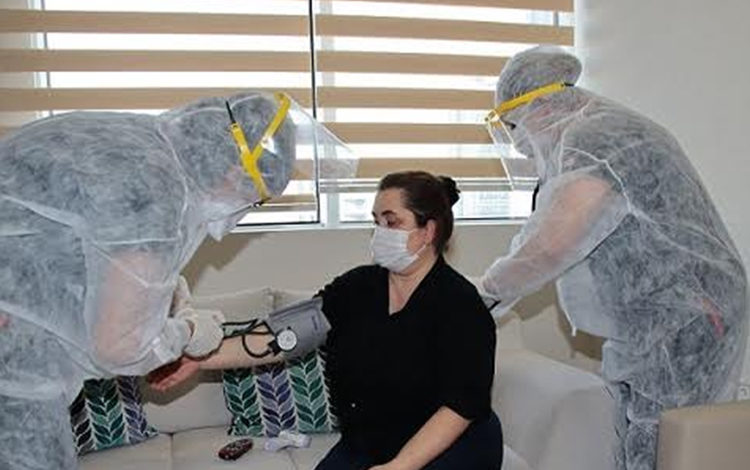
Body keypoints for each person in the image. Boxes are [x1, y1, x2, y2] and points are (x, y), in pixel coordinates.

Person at [0, 90, 318, 470]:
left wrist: (167, 294)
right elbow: (119, 347)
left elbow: (68, 260)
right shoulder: (159, 194)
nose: (240, 212)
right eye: (254, 199)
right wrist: (191, 332)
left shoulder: (127, 142)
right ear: (237, 174)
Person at [479, 46, 748, 470]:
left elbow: (553, 243)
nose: (518, 143)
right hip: (661, 315)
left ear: (542, 107)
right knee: (646, 436)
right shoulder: (598, 131)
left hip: (686, 313)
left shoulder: (599, 138)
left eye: (514, 124)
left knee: (673, 445)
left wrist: (486, 292)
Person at [150, 171, 504, 470]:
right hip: (368, 443)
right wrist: (199, 358)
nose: (380, 231)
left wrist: (399, 467)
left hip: (447, 449)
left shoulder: (461, 307)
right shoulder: (357, 287)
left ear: (428, 232)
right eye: (376, 222)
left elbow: (461, 406)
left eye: (392, 221)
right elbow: (283, 336)